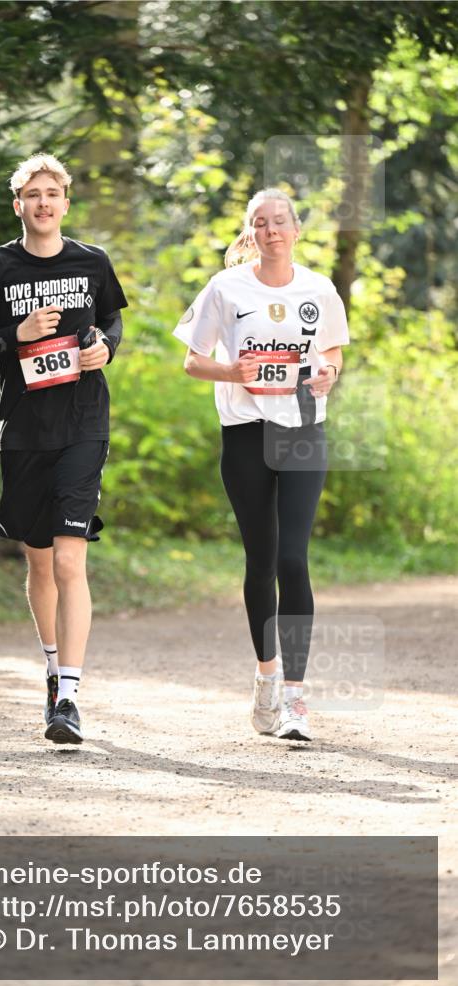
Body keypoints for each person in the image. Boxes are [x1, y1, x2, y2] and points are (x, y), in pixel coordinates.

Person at [0, 153, 128, 745]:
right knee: (37, 560)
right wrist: (16, 335)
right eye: (33, 194)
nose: (44, 202)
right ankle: (53, 667)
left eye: (53, 192)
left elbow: (112, 322)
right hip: (24, 432)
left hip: (84, 424)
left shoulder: (92, 262)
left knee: (69, 559)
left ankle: (70, 698)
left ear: (66, 202)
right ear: (18, 205)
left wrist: (105, 346)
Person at [172, 188, 349, 741]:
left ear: (296, 229)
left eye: (280, 221)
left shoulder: (319, 288)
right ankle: (266, 675)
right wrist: (235, 373)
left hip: (302, 432)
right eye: (260, 223)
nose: (271, 230)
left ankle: (295, 698)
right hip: (246, 436)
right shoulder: (226, 288)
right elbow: (192, 361)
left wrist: (327, 374)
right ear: (251, 234)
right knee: (262, 561)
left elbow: (333, 354)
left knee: (294, 560)